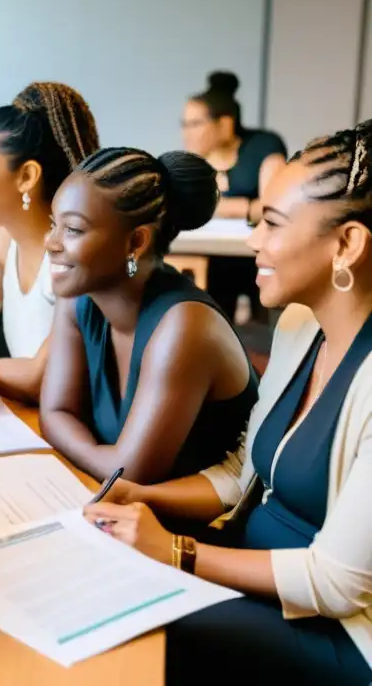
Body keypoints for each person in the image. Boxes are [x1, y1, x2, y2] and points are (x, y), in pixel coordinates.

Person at [85, 121, 372, 685]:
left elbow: (339, 583)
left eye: (271, 223)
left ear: (347, 244)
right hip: (251, 570)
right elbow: (243, 474)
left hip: (340, 636)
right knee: (103, 571)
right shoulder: (296, 327)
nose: (252, 241)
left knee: (133, 621)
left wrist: (176, 552)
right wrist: (143, 495)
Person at [40, 147, 258, 485]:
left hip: (198, 529)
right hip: (119, 508)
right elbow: (55, 413)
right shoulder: (79, 297)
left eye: (73, 230)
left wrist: (93, 454)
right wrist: (103, 459)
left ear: (136, 241)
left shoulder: (185, 326)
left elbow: (131, 473)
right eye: (54, 224)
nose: (50, 243)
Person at [0, 82, 100, 404]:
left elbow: (43, 376)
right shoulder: (1, 240)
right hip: (30, 418)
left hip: (77, 433)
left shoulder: (76, 253)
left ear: (26, 177)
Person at [182, 71, 288, 322]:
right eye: (183, 124)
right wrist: (244, 206)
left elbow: (274, 206)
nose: (187, 133)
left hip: (254, 255)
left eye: (195, 124)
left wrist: (223, 206)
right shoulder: (193, 158)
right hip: (209, 257)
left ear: (225, 123)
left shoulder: (264, 146)